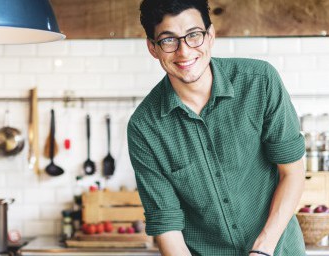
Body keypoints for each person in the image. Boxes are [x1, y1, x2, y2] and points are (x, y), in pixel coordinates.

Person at [127, 0, 307, 255]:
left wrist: (263, 249)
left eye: (194, 36)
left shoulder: (260, 82)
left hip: (277, 250)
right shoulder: (145, 127)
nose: (184, 52)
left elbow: (292, 173)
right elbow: (167, 223)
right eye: (169, 40)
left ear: (210, 36)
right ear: (152, 48)